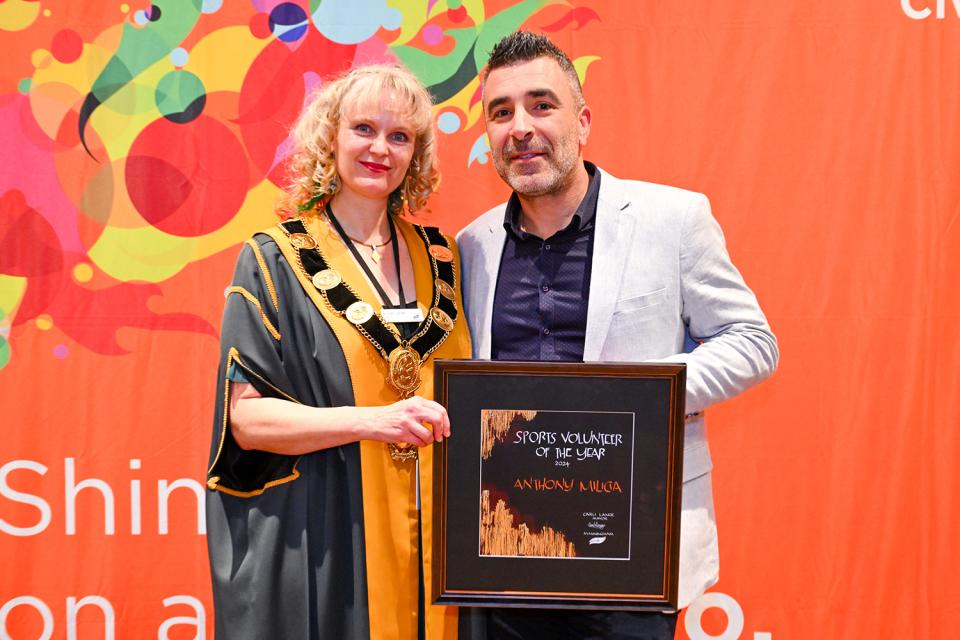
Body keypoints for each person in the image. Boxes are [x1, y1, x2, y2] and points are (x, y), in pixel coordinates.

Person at [456, 32, 779, 639]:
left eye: (540, 104)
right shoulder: (471, 246)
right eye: (501, 112)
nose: (520, 126)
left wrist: (636, 396)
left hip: (632, 552)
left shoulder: (674, 220)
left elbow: (752, 340)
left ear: (582, 121)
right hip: (501, 555)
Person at [205, 64, 472, 640]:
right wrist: (374, 421)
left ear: (415, 154)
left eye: (400, 136)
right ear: (331, 136)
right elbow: (247, 420)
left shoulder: (444, 258)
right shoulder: (274, 258)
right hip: (329, 532)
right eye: (364, 129)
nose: (381, 148)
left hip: (440, 540)